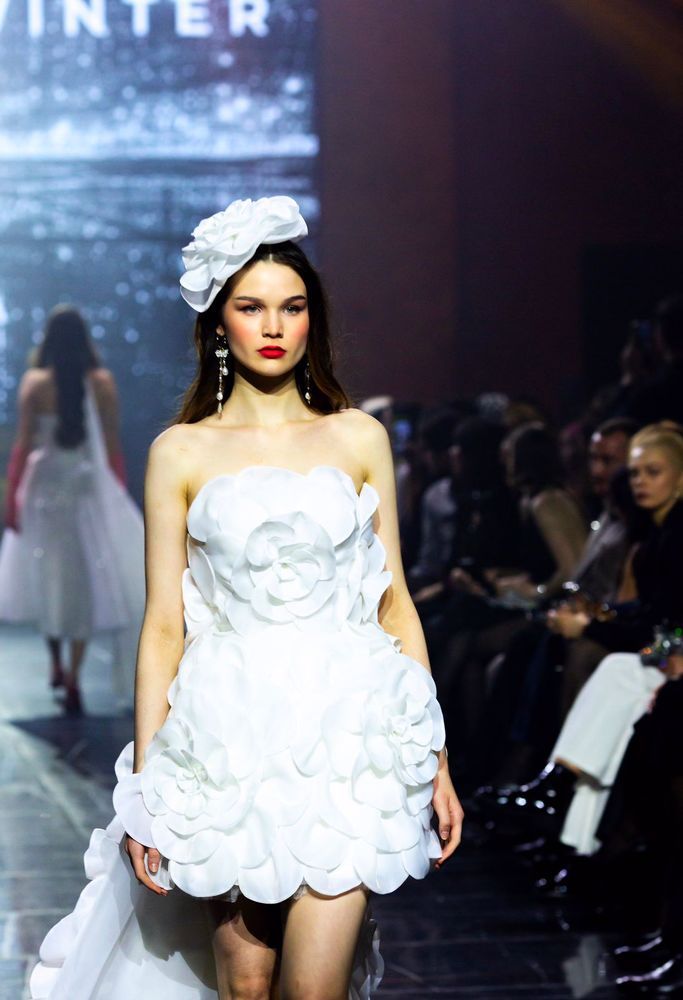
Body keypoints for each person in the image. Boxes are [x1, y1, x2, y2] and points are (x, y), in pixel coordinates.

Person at [29, 197, 463, 1000]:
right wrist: (148, 788)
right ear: (218, 322)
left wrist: (433, 755)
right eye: (251, 306)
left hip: (349, 738)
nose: (273, 326)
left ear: (311, 320)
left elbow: (394, 604)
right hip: (224, 738)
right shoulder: (181, 451)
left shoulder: (358, 436)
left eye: (292, 307)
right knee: (246, 986)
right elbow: (165, 626)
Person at [492, 424, 683, 856]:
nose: (640, 482)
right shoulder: (658, 532)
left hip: (666, 655)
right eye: (635, 473)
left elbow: (668, 624)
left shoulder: (674, 536)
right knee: (607, 698)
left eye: (653, 472)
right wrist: (605, 617)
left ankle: (561, 803)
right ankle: (571, 836)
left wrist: (595, 627)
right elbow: (656, 616)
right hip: (660, 650)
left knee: (613, 671)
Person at [0, 306, 144, 713]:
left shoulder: (34, 384)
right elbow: (112, 446)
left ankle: (56, 663)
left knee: (49, 578)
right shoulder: (102, 384)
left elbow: (23, 444)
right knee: (81, 581)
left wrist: (12, 498)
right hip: (85, 490)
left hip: (44, 490)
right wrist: (115, 495)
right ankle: (75, 674)